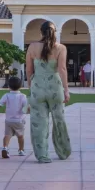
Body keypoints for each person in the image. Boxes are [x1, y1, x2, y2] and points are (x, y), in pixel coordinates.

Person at [26, 21, 72, 163]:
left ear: (41, 32)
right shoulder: (60, 48)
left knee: (39, 123)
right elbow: (62, 69)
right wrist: (66, 90)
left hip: (37, 89)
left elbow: (28, 70)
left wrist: (31, 86)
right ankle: (63, 152)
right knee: (59, 121)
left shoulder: (32, 47)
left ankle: (42, 155)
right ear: (55, 32)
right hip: (55, 89)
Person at [0, 76, 28, 158]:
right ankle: (21, 150)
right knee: (20, 136)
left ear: (9, 86)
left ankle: (5, 147)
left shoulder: (6, 95)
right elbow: (26, 107)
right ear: (20, 86)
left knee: (7, 135)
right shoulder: (23, 96)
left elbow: (0, 104)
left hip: (8, 120)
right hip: (19, 120)